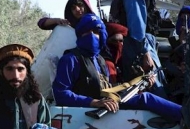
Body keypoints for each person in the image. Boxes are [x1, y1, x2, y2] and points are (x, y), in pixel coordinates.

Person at [52, 13, 181, 121]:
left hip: (108, 102)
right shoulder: (70, 59)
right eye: (87, 32)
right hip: (88, 111)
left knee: (144, 95)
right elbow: (61, 94)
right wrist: (94, 102)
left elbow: (106, 88)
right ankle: (187, 117)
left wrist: (138, 84)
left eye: (96, 31)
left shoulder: (100, 60)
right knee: (146, 99)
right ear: (80, 35)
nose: (92, 35)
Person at [109, 0, 168, 96]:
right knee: (155, 88)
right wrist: (145, 53)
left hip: (141, 44)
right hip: (137, 46)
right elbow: (137, 27)